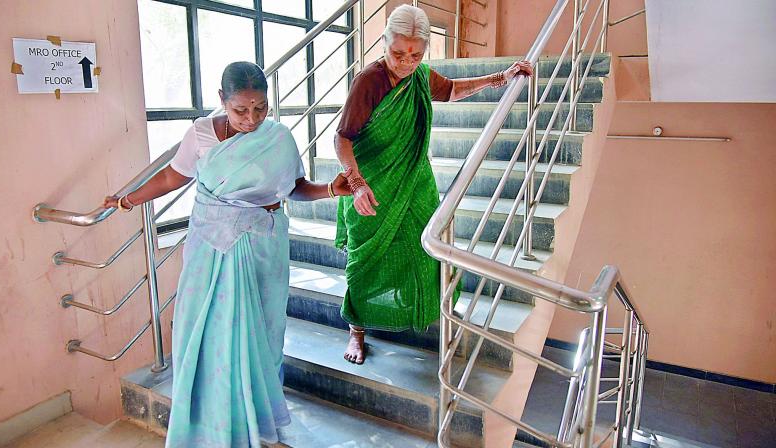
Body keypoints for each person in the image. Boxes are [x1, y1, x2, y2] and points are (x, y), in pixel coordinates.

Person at [104, 62, 351, 447]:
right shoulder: (200, 134)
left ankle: (257, 411)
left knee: (264, 332)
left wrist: (331, 190)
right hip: (212, 245)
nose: (251, 119)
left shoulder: (279, 137)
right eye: (240, 110)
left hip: (262, 247)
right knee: (206, 331)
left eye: (261, 108)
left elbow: (295, 188)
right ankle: (214, 422)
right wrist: (127, 199)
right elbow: (173, 176)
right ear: (222, 100)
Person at [335, 5, 534, 364]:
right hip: (370, 185)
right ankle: (357, 331)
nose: (406, 62)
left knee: (429, 249)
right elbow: (343, 137)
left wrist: (498, 78)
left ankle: (431, 311)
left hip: (414, 181)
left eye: (416, 54)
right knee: (366, 258)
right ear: (384, 44)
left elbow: (453, 90)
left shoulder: (421, 77)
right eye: (398, 53)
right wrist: (357, 182)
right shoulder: (370, 80)